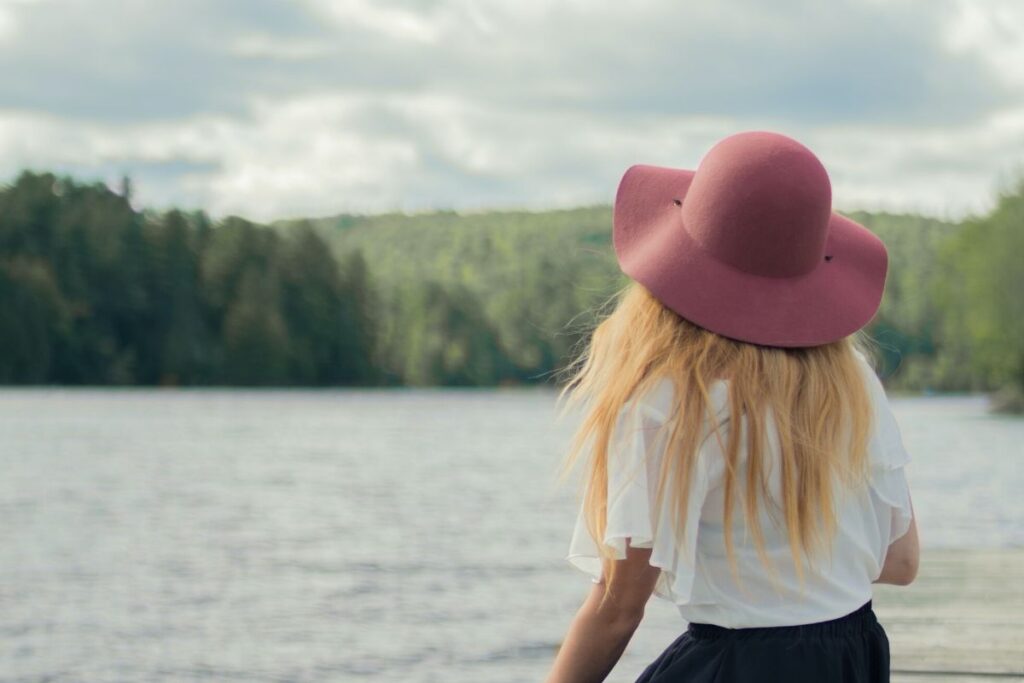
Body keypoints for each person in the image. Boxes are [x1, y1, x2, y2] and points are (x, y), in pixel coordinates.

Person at [544, 131, 920, 683]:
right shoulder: (853, 382)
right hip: (854, 659)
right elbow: (901, 563)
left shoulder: (667, 402)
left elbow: (617, 610)